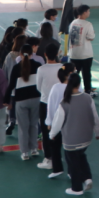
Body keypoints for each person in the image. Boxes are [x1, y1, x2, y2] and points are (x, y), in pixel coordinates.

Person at [49, 72, 99, 195]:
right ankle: (87, 178)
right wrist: (98, 131)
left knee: (72, 161)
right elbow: (95, 117)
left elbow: (57, 122)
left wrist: (52, 134)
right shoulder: (88, 98)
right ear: (79, 84)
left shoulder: (64, 103)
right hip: (86, 137)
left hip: (71, 140)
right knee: (81, 156)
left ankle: (76, 188)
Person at [5, 43, 42, 160]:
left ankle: (25, 152)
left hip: (21, 101)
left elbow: (11, 85)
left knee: (23, 127)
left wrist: (6, 100)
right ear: (32, 53)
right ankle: (34, 149)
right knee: (34, 124)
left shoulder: (16, 68)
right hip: (36, 99)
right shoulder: (38, 65)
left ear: (20, 54)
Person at [36, 42, 63, 170]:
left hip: (45, 103)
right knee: (59, 130)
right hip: (60, 104)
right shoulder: (62, 67)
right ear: (57, 53)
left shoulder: (41, 69)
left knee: (45, 131)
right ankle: (58, 156)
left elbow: (38, 87)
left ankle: (48, 158)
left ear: (45, 54)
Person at [44, 64, 74, 178]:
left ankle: (57, 169)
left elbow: (50, 106)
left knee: (55, 146)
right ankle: (71, 171)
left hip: (57, 122)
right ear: (70, 74)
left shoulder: (55, 87)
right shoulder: (76, 88)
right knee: (69, 148)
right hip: (71, 122)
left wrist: (49, 122)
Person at [67, 5, 97, 96]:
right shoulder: (88, 24)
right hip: (85, 54)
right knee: (86, 73)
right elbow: (91, 37)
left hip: (73, 53)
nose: (89, 13)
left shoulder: (73, 23)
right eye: (88, 11)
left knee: (74, 74)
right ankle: (88, 90)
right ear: (84, 12)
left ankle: (71, 90)